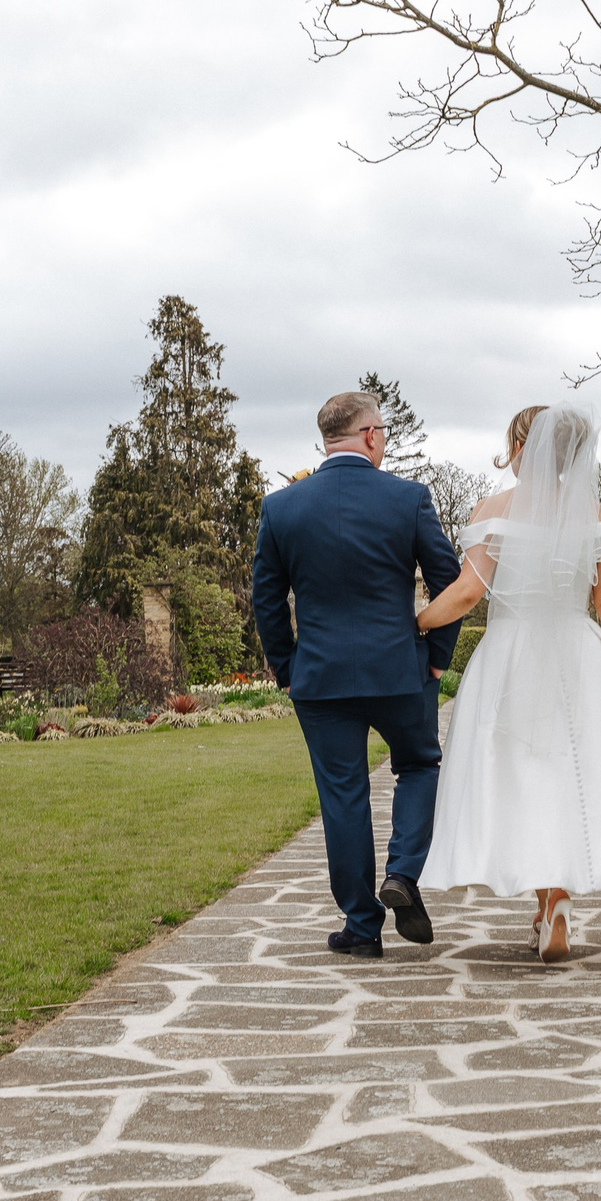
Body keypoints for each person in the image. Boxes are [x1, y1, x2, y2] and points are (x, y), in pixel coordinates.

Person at [416, 402, 601, 963]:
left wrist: (416, 623)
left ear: (519, 448)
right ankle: (556, 903)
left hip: (510, 654)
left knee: (526, 777)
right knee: (570, 771)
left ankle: (545, 899)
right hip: (578, 657)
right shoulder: (595, 516)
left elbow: (466, 594)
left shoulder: (495, 510)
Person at [251, 391, 466, 959]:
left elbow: (266, 601)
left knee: (342, 796)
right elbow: (449, 580)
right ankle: (402, 872)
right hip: (400, 671)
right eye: (384, 431)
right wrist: (437, 655)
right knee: (419, 764)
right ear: (370, 435)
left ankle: (362, 926)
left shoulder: (282, 508)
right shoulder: (408, 499)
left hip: (319, 680)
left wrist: (288, 670)